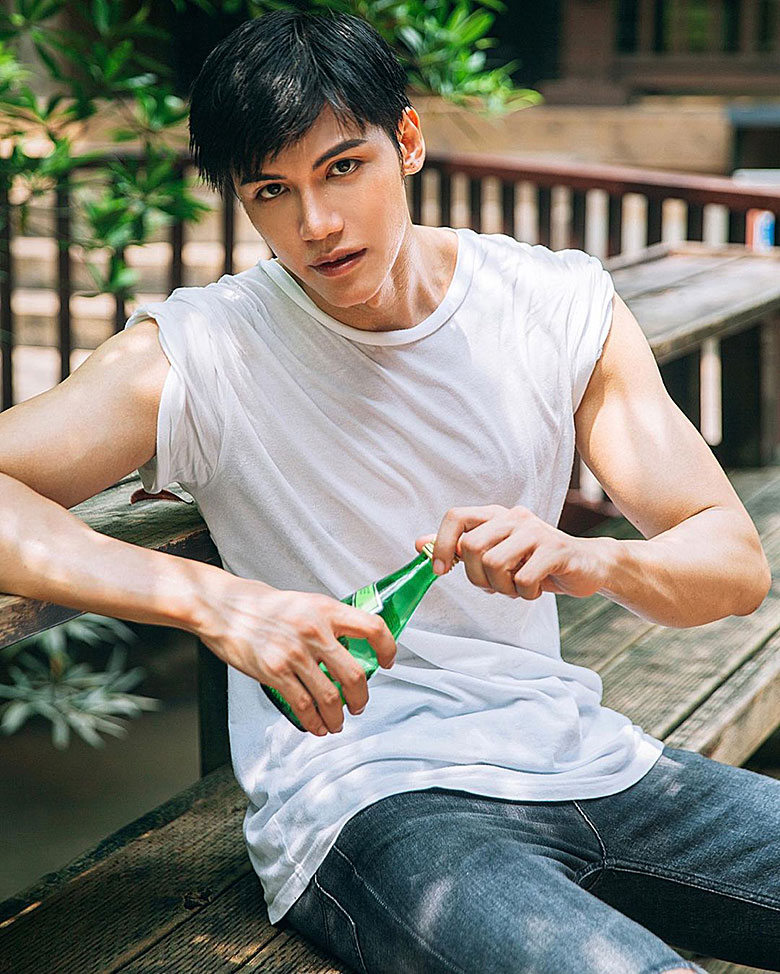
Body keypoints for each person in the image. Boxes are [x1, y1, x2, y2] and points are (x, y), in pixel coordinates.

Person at [1, 8, 777, 973]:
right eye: (272, 191)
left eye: (342, 168)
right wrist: (218, 603)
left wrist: (591, 560)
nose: (316, 225)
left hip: (590, 756)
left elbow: (732, 566)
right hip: (373, 798)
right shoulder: (202, 353)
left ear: (406, 141)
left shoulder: (554, 304)